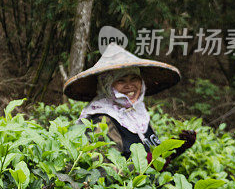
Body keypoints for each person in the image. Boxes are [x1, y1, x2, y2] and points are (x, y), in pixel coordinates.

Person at [63, 43, 195, 162]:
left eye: (134, 78)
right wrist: (147, 163)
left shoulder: (138, 115)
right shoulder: (102, 121)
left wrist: (176, 147)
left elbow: (156, 159)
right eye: (121, 80)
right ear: (107, 85)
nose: (130, 85)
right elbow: (104, 171)